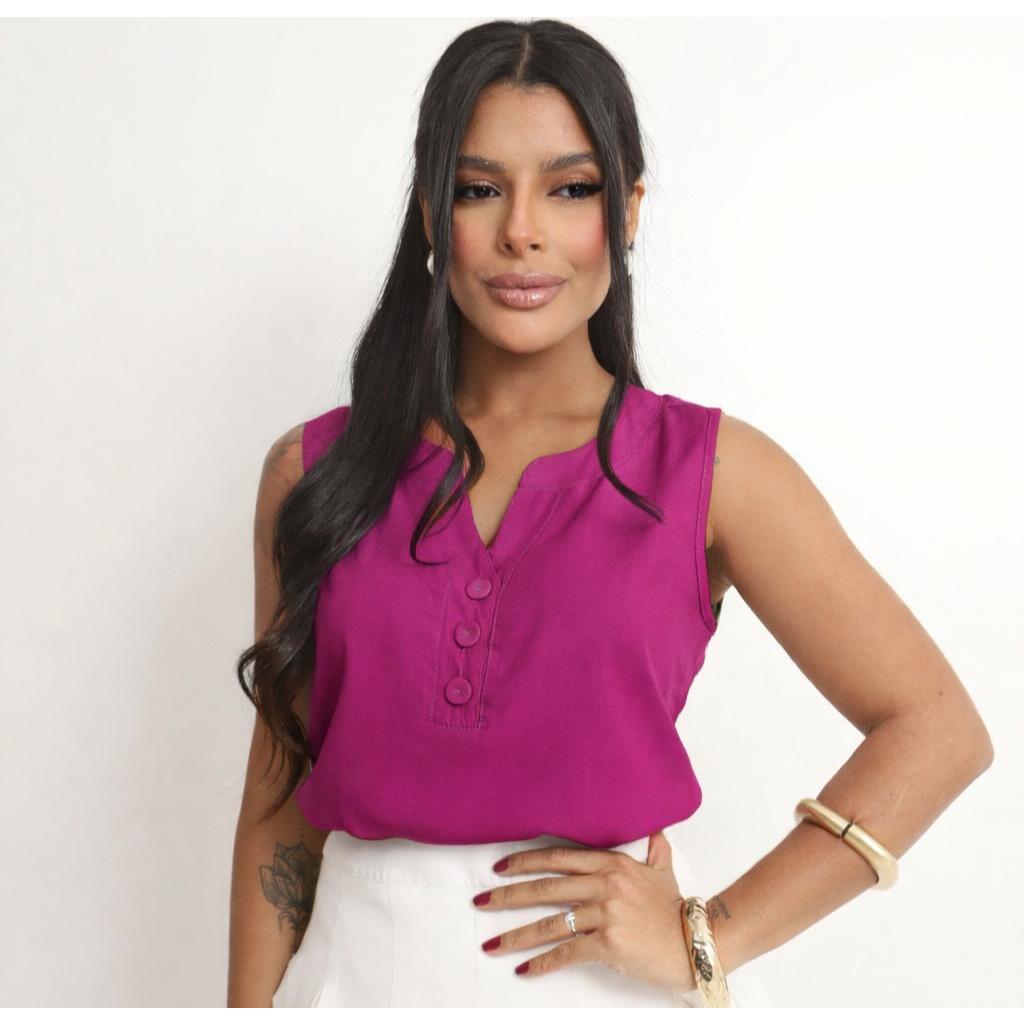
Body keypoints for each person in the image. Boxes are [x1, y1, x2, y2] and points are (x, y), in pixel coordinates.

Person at [227, 18, 994, 1009]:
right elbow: (280, 794)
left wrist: (711, 937)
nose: (522, 231)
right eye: (478, 188)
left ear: (627, 209)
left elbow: (936, 728)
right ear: (428, 212)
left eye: (571, 188)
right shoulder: (313, 472)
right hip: (353, 981)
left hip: (604, 994)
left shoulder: (715, 472)